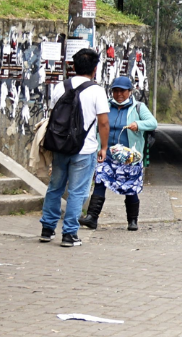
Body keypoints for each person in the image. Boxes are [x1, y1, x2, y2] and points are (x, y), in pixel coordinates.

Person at [40, 48, 109, 248]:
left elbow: (54, 116)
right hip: (84, 149)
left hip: (60, 146)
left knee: (55, 187)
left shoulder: (60, 87)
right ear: (95, 69)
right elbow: (103, 123)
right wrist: (104, 147)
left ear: (73, 65)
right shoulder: (96, 90)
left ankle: (47, 229)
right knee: (77, 192)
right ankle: (69, 234)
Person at [80, 76, 157, 231]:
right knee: (100, 181)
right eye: (115, 90)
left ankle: (132, 221)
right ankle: (92, 218)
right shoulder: (106, 106)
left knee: (131, 187)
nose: (119, 94)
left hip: (129, 157)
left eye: (122, 91)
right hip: (106, 153)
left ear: (130, 91)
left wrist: (138, 124)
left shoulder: (138, 107)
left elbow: (153, 123)